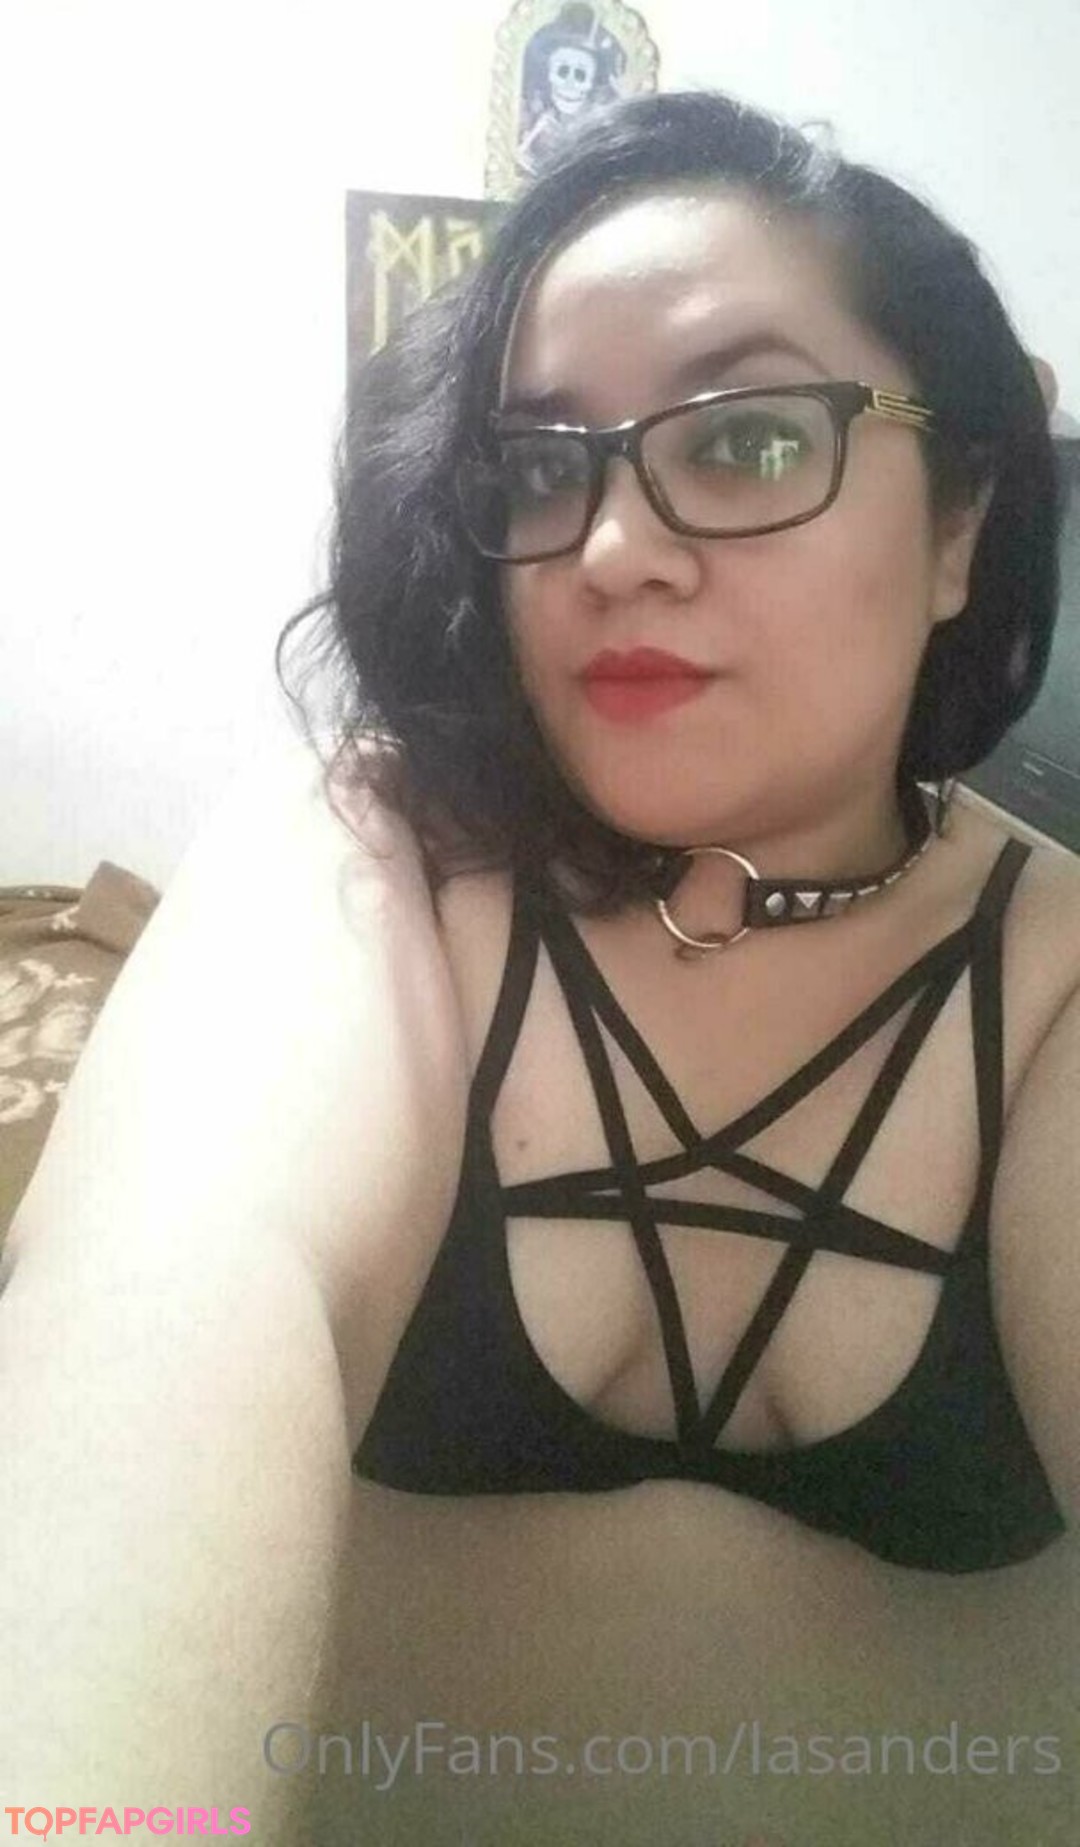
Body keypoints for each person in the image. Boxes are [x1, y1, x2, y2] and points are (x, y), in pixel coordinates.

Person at [3, 88, 1079, 1847]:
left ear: (958, 522)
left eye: (747, 441)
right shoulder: (375, 856)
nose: (607, 549)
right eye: (541, 465)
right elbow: (154, 1320)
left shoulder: (1055, 986)